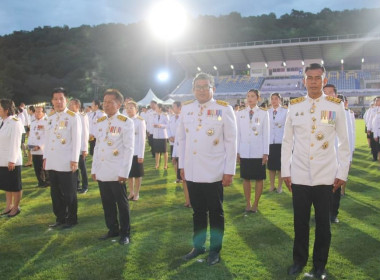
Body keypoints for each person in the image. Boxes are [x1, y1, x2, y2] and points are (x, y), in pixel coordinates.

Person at [282, 63, 350, 279]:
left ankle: (319, 265)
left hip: (325, 175)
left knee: (323, 225)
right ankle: (299, 261)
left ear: (324, 79)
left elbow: (345, 143)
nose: (313, 81)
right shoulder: (294, 106)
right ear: (304, 80)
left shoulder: (335, 106)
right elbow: (286, 141)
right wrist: (286, 170)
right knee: (300, 223)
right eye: (309, 77)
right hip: (300, 174)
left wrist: (342, 173)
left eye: (317, 77)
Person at [177, 72, 237, 265]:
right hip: (193, 170)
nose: (202, 90)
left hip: (214, 171)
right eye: (198, 87)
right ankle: (199, 246)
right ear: (193, 89)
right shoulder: (186, 109)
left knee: (216, 212)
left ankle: (215, 250)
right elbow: (182, 140)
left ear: (213, 89)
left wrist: (229, 170)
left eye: (205, 86)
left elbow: (231, 142)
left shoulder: (224, 109)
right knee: (198, 211)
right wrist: (182, 166)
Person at [91, 89, 134, 245]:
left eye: (110, 102)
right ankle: (112, 229)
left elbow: (129, 149)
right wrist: (94, 169)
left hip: (117, 171)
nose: (106, 105)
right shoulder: (100, 122)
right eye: (105, 102)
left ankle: (125, 233)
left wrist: (124, 172)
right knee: (107, 203)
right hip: (103, 169)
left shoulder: (125, 122)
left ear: (119, 104)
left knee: (121, 204)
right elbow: (97, 147)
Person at [43, 87, 81, 229]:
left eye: (61, 99)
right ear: (52, 101)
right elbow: (47, 140)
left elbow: (76, 140)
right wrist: (45, 158)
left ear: (66, 100)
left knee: (69, 192)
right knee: (56, 192)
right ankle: (60, 217)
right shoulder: (50, 118)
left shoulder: (72, 117)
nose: (58, 102)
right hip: (53, 161)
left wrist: (75, 159)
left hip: (66, 161)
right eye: (56, 99)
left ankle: (72, 218)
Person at [236, 89, 269, 213]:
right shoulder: (240, 113)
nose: (250, 98)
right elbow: (238, 134)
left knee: (259, 178)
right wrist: (237, 151)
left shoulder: (263, 113)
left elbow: (266, 134)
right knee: (246, 178)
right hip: (245, 151)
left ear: (258, 98)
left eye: (253, 96)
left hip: (258, 151)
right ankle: (248, 202)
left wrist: (266, 152)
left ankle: (256, 203)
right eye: (248, 96)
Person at [0, 99, 24, 218]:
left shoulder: (15, 122)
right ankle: (8, 206)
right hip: (2, 159)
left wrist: (12, 159)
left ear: (7, 109)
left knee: (15, 185)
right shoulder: (2, 121)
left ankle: (16, 207)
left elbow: (16, 142)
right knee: (7, 185)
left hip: (12, 160)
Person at [125, 101, 146, 201]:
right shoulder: (125, 120)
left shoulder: (140, 121)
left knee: (137, 174)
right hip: (127, 151)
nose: (129, 110)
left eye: (131, 108)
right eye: (127, 108)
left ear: (136, 109)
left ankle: (137, 193)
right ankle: (131, 192)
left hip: (137, 152)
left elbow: (142, 139)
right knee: (129, 174)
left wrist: (141, 155)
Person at [68, 99, 90, 194]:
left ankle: (85, 186)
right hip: (72, 147)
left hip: (80, 148)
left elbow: (85, 133)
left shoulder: (82, 116)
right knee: (74, 168)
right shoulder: (70, 116)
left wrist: (85, 148)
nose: (69, 106)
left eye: (71, 104)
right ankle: (76, 185)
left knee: (82, 168)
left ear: (77, 105)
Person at [267, 92, 287, 193]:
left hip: (281, 142)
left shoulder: (285, 111)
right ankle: (271, 185)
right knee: (271, 167)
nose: (274, 101)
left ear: (280, 100)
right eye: (272, 99)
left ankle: (279, 186)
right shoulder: (267, 112)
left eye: (276, 99)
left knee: (280, 167)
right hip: (270, 142)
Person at [28, 106, 49, 188]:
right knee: (36, 166)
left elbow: (46, 136)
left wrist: (40, 146)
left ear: (43, 113)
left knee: (43, 166)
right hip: (33, 148)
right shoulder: (33, 122)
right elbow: (31, 135)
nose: (37, 113)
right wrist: (29, 145)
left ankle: (47, 181)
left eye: (39, 112)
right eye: (36, 112)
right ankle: (40, 182)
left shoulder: (46, 122)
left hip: (42, 149)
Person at [168, 101, 182, 183]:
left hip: (180, 142)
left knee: (180, 159)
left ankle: (181, 177)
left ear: (179, 107)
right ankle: (177, 177)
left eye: (174, 107)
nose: (172, 108)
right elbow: (168, 128)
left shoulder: (183, 117)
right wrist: (170, 136)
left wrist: (176, 138)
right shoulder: (172, 118)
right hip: (172, 142)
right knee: (174, 160)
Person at [153, 104, 169, 170]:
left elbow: (168, 125)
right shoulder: (154, 115)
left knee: (164, 151)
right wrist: (154, 125)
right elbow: (152, 123)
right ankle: (157, 164)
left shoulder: (165, 115)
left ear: (160, 108)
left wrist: (161, 125)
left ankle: (165, 165)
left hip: (163, 135)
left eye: (156, 107)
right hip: (156, 135)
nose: (155, 108)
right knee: (157, 151)